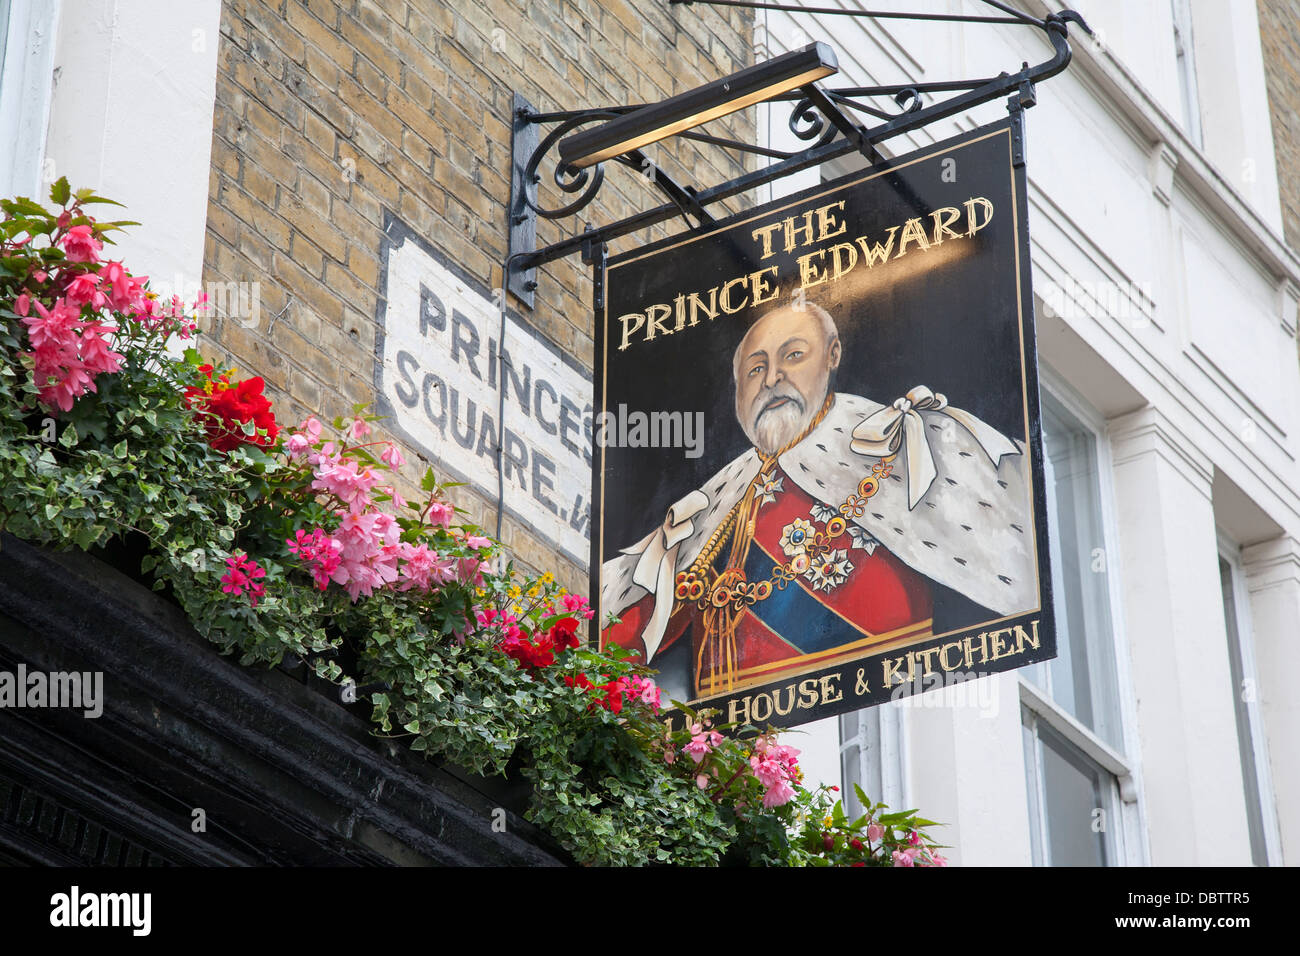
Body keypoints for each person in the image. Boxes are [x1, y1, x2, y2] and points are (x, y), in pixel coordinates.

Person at [600, 301, 1036, 702]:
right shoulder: (717, 498)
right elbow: (626, 622)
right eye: (755, 370)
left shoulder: (905, 443)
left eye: (793, 356)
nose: (771, 379)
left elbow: (1012, 550)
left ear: (832, 355)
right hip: (735, 754)